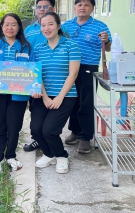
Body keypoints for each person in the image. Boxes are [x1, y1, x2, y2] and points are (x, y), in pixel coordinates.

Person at [0, 13, 36, 174]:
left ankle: (11, 156)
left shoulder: (26, 47)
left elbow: (32, 69)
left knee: (14, 126)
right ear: (1, 27)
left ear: (19, 27)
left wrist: (32, 87)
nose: (10, 28)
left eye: (14, 24)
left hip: (18, 95)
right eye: (6, 24)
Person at [62, 0, 111, 153]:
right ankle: (75, 131)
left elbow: (108, 48)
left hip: (88, 68)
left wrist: (106, 41)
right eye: (79, 5)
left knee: (86, 102)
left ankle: (85, 137)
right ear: (75, 7)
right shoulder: (66, 26)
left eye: (86, 5)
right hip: (68, 68)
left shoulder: (100, 27)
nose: (82, 7)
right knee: (72, 101)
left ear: (92, 8)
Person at [32, 12, 80, 174]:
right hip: (43, 95)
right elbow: (38, 74)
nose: (47, 28)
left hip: (65, 96)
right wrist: (45, 97)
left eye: (50, 24)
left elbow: (72, 74)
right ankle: (49, 154)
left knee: (49, 131)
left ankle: (61, 155)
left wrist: (60, 97)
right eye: (43, 25)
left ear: (58, 26)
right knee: (36, 130)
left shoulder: (71, 45)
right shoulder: (38, 48)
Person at [23, 0, 57, 152]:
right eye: (39, 7)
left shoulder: (60, 30)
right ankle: (36, 137)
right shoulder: (29, 30)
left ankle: (51, 136)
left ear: (53, 9)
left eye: (46, 7)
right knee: (35, 106)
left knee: (54, 107)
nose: (42, 10)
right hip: (34, 76)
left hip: (54, 76)